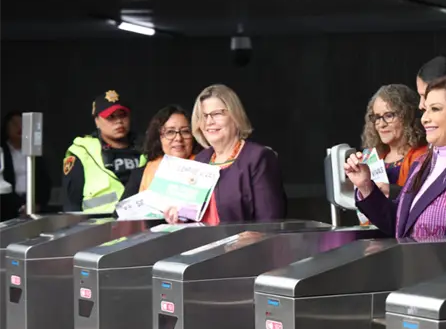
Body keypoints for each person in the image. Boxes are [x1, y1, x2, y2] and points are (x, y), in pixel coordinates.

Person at [345, 74, 446, 238]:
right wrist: (365, 186)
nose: (424, 119)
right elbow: (399, 225)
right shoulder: (421, 163)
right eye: (425, 110)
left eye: (435, 109)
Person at [163, 84, 286, 224]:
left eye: (217, 114)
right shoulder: (200, 160)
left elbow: (270, 222)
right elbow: (191, 217)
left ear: (235, 116)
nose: (209, 122)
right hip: (201, 239)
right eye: (203, 116)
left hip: (242, 240)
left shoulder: (258, 158)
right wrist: (179, 218)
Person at [63, 91, 145, 213]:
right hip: (99, 222)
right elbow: (71, 205)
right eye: (110, 117)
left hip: (143, 219)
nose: (118, 121)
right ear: (97, 121)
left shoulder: (148, 148)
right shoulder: (83, 151)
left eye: (122, 115)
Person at [359, 84, 428, 202]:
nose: (381, 124)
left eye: (389, 115)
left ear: (408, 116)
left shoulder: (424, 156)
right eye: (376, 117)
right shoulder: (372, 157)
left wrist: (389, 190)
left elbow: (423, 200)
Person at [120, 105, 201, 201]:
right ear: (158, 138)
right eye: (170, 132)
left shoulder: (208, 169)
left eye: (185, 131)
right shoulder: (140, 174)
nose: (178, 138)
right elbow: (121, 210)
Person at [0, 111, 52, 219]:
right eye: (14, 124)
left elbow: (44, 180)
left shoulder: (34, 151)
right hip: (7, 207)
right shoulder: (2, 151)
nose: (19, 127)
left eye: (21, 123)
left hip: (32, 204)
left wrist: (38, 204)